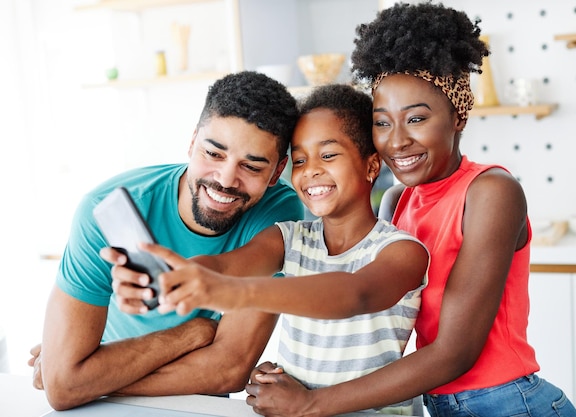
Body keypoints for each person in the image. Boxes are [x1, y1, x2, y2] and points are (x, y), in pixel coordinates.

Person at [237, 3, 576, 417]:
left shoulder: (491, 191)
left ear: (458, 116)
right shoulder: (398, 200)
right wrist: (295, 374)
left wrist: (312, 403)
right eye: (382, 123)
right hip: (438, 404)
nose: (396, 142)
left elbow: (455, 352)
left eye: (416, 119)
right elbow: (367, 318)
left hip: (508, 402)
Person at [111, 84, 430, 415]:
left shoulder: (402, 251)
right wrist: (170, 276)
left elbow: (354, 294)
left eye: (328, 155)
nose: (311, 171)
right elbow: (226, 266)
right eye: (300, 160)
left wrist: (234, 293)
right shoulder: (288, 239)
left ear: (371, 166)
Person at [28, 71, 304, 411]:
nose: (226, 180)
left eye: (251, 166)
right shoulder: (103, 207)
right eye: (214, 154)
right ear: (192, 142)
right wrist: (195, 334)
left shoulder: (280, 215)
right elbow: (63, 388)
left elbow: (227, 371)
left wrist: (88, 380)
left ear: (277, 172)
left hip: (196, 405)